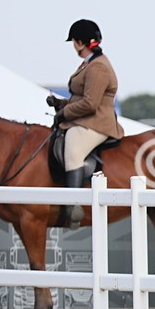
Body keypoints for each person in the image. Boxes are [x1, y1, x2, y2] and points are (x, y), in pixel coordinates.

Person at [49, 19, 122, 229]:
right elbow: (80, 97)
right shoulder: (89, 63)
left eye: (74, 41)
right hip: (85, 118)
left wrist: (64, 113)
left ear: (79, 42)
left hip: (97, 122)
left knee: (73, 150)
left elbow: (90, 103)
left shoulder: (98, 66)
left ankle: (72, 207)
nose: (73, 45)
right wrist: (61, 104)